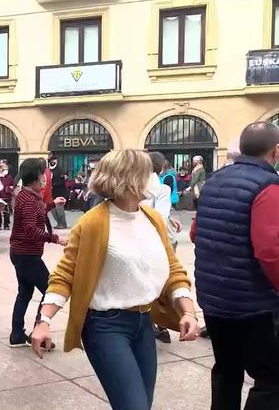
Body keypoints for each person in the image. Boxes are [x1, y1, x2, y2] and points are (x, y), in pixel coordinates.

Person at [31, 149, 200, 410]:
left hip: (144, 323)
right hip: (106, 327)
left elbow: (173, 269)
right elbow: (65, 275)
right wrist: (44, 321)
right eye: (148, 174)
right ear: (129, 179)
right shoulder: (92, 223)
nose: (154, 179)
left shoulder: (152, 218)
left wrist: (188, 312)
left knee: (143, 403)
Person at [192, 122, 279, 409]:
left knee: (227, 370)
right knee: (271, 380)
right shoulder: (269, 187)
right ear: (275, 151)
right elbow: (270, 251)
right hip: (254, 305)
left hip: (214, 298)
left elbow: (195, 233)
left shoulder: (215, 180)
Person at [9, 158, 67, 348]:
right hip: (26, 255)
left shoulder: (29, 197)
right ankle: (38, 334)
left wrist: (52, 204)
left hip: (23, 253)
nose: (45, 178)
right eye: (43, 174)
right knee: (50, 291)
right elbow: (30, 229)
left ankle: (17, 334)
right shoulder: (28, 200)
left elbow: (37, 212)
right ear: (35, 178)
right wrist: (56, 239)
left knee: (24, 293)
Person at [144, 152, 182, 344]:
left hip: (140, 238)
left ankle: (152, 324)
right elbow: (159, 216)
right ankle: (162, 326)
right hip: (160, 240)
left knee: (145, 281)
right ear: (161, 167)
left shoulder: (137, 186)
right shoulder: (162, 189)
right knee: (162, 280)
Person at [48, 154, 68, 229]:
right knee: (53, 210)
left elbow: (63, 181)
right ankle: (59, 223)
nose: (52, 162)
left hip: (59, 192)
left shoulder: (61, 170)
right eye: (51, 160)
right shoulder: (48, 169)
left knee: (59, 209)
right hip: (51, 193)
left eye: (53, 160)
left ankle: (63, 224)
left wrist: (53, 184)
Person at [0, 163, 14, 229]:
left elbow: (13, 185)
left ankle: (6, 225)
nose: (6, 170)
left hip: (7, 197)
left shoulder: (9, 177)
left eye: (7, 169)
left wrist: (10, 188)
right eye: (4, 169)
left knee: (6, 212)